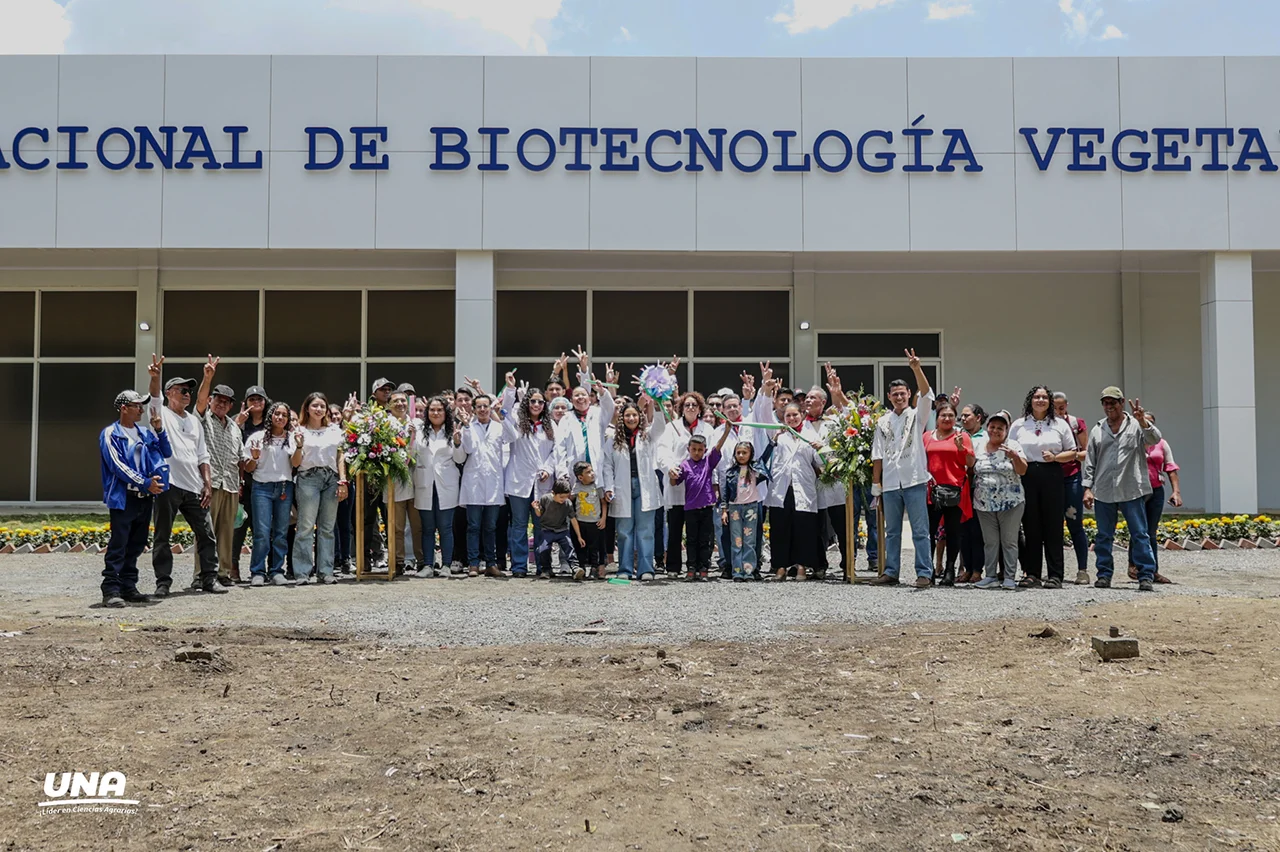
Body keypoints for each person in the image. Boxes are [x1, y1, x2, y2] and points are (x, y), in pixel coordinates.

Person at [145, 356, 226, 597]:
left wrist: (207, 484)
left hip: (194, 486)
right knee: (162, 535)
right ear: (170, 393)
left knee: (206, 534)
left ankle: (209, 578)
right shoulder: (161, 414)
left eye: (189, 391)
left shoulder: (194, 422)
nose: (187, 394)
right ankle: (163, 583)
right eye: (182, 390)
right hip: (168, 484)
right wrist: (156, 377)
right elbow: (154, 396)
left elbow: (203, 456)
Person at [1084, 388, 1163, 591]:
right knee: (1103, 536)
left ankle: (1145, 575)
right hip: (1103, 490)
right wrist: (1087, 488)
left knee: (1140, 534)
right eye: (1105, 402)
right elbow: (1090, 461)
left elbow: (1155, 439)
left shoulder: (1136, 425)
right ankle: (1104, 575)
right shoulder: (1097, 429)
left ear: (1121, 402)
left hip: (1131, 489)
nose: (1109, 406)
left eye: (1113, 402)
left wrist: (1143, 421)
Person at [99, 390, 171, 607]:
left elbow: (165, 452)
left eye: (142, 406)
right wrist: (144, 481)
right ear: (124, 408)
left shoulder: (144, 433)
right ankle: (111, 589)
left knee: (136, 544)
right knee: (119, 543)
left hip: (144, 497)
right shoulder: (111, 433)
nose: (141, 409)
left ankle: (128, 586)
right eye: (137, 405)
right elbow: (117, 465)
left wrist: (159, 430)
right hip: (124, 497)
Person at [870, 350, 936, 589]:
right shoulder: (882, 422)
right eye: (895, 394)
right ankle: (891, 571)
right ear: (889, 397)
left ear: (909, 395)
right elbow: (877, 454)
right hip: (889, 482)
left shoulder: (917, 416)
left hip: (914, 479)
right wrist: (876, 486)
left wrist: (916, 368)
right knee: (892, 532)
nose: (899, 397)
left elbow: (927, 394)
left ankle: (924, 573)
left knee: (920, 530)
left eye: (903, 393)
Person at [1008, 386, 1077, 589]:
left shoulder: (1060, 424)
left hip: (1052, 474)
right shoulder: (1019, 425)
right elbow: (1011, 449)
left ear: (1050, 401)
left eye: (1044, 397)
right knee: (1031, 525)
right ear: (1030, 400)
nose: (1040, 400)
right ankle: (1032, 573)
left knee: (1053, 526)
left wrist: (1055, 457)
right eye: (1036, 397)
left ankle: (1055, 575)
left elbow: (1072, 452)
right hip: (1027, 475)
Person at [759, 374, 825, 581]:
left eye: (795, 415)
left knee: (803, 527)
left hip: (803, 488)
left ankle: (801, 566)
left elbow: (821, 462)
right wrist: (766, 390)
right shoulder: (777, 434)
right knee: (780, 527)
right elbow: (762, 415)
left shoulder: (811, 435)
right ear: (783, 418)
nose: (792, 419)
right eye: (788, 416)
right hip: (781, 487)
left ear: (802, 416)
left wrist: (820, 449)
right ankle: (780, 566)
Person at [501, 375, 561, 578]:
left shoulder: (550, 425)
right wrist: (510, 390)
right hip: (519, 480)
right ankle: (519, 566)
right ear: (527, 403)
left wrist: (548, 468)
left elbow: (556, 451)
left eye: (540, 401)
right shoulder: (518, 421)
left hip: (542, 482)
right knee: (518, 525)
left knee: (541, 526)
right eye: (532, 401)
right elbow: (506, 412)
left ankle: (544, 566)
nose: (536, 404)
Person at [604, 394, 666, 580]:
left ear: (640, 417)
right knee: (624, 531)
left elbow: (661, 426)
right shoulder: (612, 439)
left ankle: (646, 569)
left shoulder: (647, 436)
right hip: (622, 487)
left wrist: (657, 404)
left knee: (645, 530)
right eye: (627, 415)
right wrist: (608, 487)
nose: (631, 418)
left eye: (635, 415)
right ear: (622, 418)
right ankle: (625, 569)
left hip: (644, 486)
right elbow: (607, 465)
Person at [192, 356, 242, 587]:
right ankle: (201, 575)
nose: (221, 404)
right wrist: (207, 377)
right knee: (205, 532)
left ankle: (222, 573)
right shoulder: (202, 419)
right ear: (211, 401)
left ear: (231, 405)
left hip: (231, 484)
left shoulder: (235, 428)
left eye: (226, 402)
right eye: (218, 400)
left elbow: (241, 458)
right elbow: (200, 399)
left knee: (225, 533)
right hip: (209, 485)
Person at [242, 401, 303, 586]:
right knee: (261, 531)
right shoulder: (257, 437)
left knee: (281, 532)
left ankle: (277, 570)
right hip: (261, 487)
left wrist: (300, 447)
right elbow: (248, 468)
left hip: (284, 487)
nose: (280, 417)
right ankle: (258, 572)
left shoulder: (292, 438)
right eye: (277, 414)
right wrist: (254, 457)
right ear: (270, 416)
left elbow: (296, 464)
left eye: (284, 415)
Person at [292, 392, 346, 585]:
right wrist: (299, 445)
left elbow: (340, 456)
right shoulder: (299, 430)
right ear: (307, 408)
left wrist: (343, 480)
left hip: (331, 478)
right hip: (308, 478)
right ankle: (302, 572)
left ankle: (325, 570)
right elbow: (295, 463)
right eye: (314, 405)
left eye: (322, 406)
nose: (318, 409)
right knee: (306, 526)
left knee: (327, 527)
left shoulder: (334, 430)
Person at [971, 410, 1028, 591]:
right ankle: (990, 576)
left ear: (1007, 429)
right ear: (987, 427)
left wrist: (1015, 457)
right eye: (992, 427)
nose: (995, 431)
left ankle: (1010, 577)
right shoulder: (979, 445)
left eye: (1000, 428)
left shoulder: (1013, 445)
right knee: (990, 541)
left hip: (1010, 503)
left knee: (1009, 540)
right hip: (984, 502)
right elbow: (971, 467)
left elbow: (1022, 471)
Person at [922, 397, 975, 586]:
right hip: (931, 491)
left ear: (956, 418)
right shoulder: (927, 436)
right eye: (943, 415)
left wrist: (962, 449)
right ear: (937, 418)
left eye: (951, 415)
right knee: (929, 532)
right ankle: (927, 570)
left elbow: (970, 464)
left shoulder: (962, 436)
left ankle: (950, 570)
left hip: (955, 491)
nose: (947, 418)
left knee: (953, 532)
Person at [413, 396, 466, 577]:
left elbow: (460, 459)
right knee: (427, 527)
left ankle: (446, 565)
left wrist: (458, 443)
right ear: (427, 413)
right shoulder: (419, 431)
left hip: (447, 484)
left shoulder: (452, 432)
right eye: (432, 410)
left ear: (446, 412)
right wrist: (410, 437)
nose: (436, 413)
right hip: (425, 482)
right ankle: (428, 565)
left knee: (445, 527)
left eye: (439, 410)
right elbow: (411, 455)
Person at [662, 390, 714, 574]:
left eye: (694, 405)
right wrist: (669, 466)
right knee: (675, 529)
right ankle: (674, 567)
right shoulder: (671, 427)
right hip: (678, 483)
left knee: (699, 534)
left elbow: (712, 454)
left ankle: (699, 567)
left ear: (700, 409)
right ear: (681, 408)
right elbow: (663, 451)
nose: (691, 407)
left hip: (699, 488)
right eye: (687, 405)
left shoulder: (707, 429)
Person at [670, 428, 730, 582]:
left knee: (705, 540)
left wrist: (726, 431)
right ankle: (691, 568)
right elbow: (675, 482)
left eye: (700, 450)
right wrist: (671, 476)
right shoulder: (684, 465)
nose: (696, 452)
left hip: (706, 508)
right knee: (691, 539)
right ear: (688, 449)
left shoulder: (708, 463)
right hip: (690, 509)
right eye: (693, 449)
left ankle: (703, 568)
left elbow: (718, 447)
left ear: (705, 450)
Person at [1128, 413, 1180, 584]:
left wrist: (1176, 491)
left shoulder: (1161, 443)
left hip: (1156, 490)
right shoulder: (1132, 442)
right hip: (1136, 491)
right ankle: (1134, 565)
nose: (1145, 424)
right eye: (1143, 422)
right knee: (1138, 529)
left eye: (1149, 422)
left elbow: (1170, 467)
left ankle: (1152, 570)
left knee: (1150, 531)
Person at [460, 391, 505, 577]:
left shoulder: (499, 427)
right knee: (473, 526)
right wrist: (466, 426)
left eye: (485, 406)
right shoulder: (468, 427)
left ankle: (491, 564)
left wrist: (502, 415)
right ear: (474, 408)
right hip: (474, 483)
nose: (482, 409)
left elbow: (513, 436)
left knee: (490, 527)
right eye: (479, 406)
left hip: (493, 482)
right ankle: (473, 564)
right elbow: (468, 448)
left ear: (490, 407)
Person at [1053, 392, 1091, 585]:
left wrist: (1068, 456)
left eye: (1061, 408)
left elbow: (1087, 453)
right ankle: (1055, 571)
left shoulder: (1076, 424)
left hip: (1071, 478)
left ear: (1067, 406)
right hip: (1051, 479)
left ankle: (1082, 570)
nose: (1058, 412)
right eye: (1055, 408)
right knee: (1051, 526)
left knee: (1075, 524)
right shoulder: (1045, 425)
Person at [231, 384, 269, 576]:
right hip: (242, 480)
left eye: (259, 399)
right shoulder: (237, 422)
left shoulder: (271, 424)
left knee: (260, 526)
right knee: (238, 525)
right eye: (251, 399)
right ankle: (233, 566)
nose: (255, 403)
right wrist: (237, 423)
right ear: (245, 402)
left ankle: (261, 568)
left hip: (265, 481)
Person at [384, 391, 418, 575]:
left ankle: (421, 560)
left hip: (416, 480)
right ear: (388, 405)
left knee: (417, 525)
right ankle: (397, 561)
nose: (400, 404)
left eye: (403, 400)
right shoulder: (384, 425)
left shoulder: (416, 422)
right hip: (394, 482)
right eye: (395, 401)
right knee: (396, 526)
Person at [534, 477, 582, 580]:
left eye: (566, 497)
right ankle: (546, 569)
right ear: (553, 493)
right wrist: (536, 509)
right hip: (547, 530)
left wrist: (579, 536)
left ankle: (575, 568)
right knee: (543, 549)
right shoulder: (545, 499)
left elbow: (573, 519)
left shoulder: (567, 503)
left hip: (562, 530)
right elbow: (539, 514)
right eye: (561, 497)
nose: (563, 499)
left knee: (569, 547)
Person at [329, 402, 355, 574]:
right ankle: (331, 558)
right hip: (328, 482)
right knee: (328, 524)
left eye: (338, 414)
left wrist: (348, 418)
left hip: (347, 482)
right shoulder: (325, 433)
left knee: (345, 522)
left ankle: (346, 557)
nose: (335, 417)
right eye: (332, 415)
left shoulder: (347, 434)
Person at [572, 461, 607, 579]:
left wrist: (603, 518)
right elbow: (570, 500)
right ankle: (581, 568)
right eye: (588, 472)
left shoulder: (597, 486)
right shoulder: (576, 487)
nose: (592, 474)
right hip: (580, 522)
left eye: (592, 471)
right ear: (580, 477)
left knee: (594, 548)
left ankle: (594, 569)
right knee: (581, 546)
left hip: (595, 522)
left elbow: (603, 503)